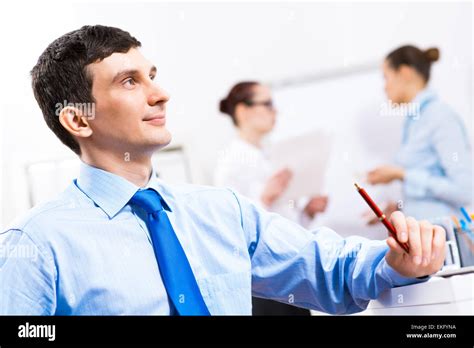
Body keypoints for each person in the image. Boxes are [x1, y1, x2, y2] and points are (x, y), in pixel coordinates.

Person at [0, 26, 446, 315]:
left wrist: (394, 261)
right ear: (78, 118)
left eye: (153, 75)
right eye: (130, 81)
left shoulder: (223, 213)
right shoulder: (36, 246)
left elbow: (329, 269)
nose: (161, 94)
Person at [215, 82, 328, 315]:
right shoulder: (231, 163)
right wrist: (265, 198)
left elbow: (283, 223)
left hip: (291, 272)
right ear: (242, 111)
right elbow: (230, 227)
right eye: (266, 104)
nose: (274, 111)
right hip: (264, 281)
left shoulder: (268, 155)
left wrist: (307, 212)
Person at [367, 45, 472, 221]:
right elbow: (429, 192)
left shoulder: (440, 118)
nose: (384, 87)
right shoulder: (414, 121)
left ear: (405, 73)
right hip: (424, 237)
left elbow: (465, 190)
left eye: (386, 77)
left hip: (442, 240)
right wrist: (399, 210)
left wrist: (401, 174)